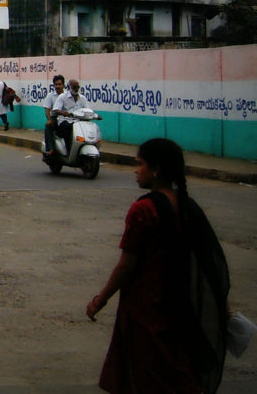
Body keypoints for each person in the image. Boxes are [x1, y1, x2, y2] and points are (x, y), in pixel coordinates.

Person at [87, 138, 227, 392]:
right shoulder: (187, 206)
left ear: (156, 169)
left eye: (140, 164)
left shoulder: (143, 210)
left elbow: (127, 265)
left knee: (147, 375)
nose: (135, 170)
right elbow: (207, 262)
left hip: (147, 307)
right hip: (180, 306)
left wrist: (100, 299)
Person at [53, 78, 90, 155]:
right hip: (65, 120)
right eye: (74, 87)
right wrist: (63, 113)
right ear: (69, 87)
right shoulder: (62, 97)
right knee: (69, 129)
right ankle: (69, 149)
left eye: (77, 87)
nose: (76, 89)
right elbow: (56, 109)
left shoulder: (82, 98)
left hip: (78, 122)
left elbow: (87, 109)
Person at [42, 75, 65, 155]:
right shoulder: (50, 95)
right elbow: (47, 110)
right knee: (48, 126)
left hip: (66, 118)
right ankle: (51, 148)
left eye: (59, 84)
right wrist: (49, 120)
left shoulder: (68, 96)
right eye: (56, 84)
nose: (58, 86)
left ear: (63, 85)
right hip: (55, 117)